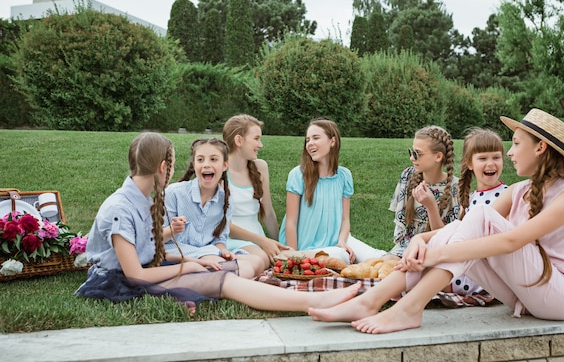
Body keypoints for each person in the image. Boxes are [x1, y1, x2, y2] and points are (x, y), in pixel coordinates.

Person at [309, 109, 564, 334]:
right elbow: (463, 228)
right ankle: (370, 301)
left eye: (516, 144)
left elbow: (511, 242)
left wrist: (434, 253)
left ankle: (408, 308)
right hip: (527, 293)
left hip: (562, 296)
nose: (510, 152)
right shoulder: (520, 191)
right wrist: (420, 240)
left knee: (481, 216)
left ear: (541, 147)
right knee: (469, 225)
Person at [74, 132, 361, 312]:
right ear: (163, 167)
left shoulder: (146, 199)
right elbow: (135, 274)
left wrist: (188, 259)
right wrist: (188, 264)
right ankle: (314, 302)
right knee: (227, 281)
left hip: (154, 267)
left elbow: (148, 250)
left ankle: (313, 295)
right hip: (119, 281)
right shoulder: (121, 208)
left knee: (225, 269)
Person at [278, 118, 385, 264]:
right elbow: (291, 222)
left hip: (338, 239)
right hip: (305, 246)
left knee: (380, 258)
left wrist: (342, 241)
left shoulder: (344, 175)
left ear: (332, 141)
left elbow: (345, 219)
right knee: (342, 256)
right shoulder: (298, 175)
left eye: (316, 138)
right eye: (307, 140)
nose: (310, 143)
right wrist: (294, 255)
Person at [161, 137, 265, 279]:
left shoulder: (225, 201)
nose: (206, 165)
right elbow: (154, 239)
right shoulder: (174, 193)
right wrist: (172, 229)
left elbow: (219, 240)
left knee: (256, 262)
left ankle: (210, 278)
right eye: (200, 160)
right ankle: (209, 280)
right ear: (194, 164)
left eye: (214, 159)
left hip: (206, 251)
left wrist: (223, 251)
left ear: (225, 165)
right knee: (243, 269)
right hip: (176, 251)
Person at [222, 114, 291, 269]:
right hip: (231, 239)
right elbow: (225, 225)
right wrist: (263, 242)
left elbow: (268, 213)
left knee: (288, 258)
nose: (260, 145)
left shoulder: (260, 167)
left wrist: (279, 244)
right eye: (256, 138)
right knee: (261, 258)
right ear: (239, 140)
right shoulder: (220, 172)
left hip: (258, 238)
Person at [447, 127, 507, 296]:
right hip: (464, 266)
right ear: (470, 163)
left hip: (484, 276)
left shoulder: (507, 196)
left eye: (496, 157)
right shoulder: (470, 199)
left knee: (420, 280)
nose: (490, 163)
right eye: (482, 158)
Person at [386, 125, 460, 260]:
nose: (412, 158)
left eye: (417, 154)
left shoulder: (456, 188)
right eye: (411, 152)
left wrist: (431, 206)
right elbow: (401, 227)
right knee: (380, 267)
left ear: (438, 157)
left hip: (436, 251)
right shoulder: (408, 176)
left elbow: (448, 238)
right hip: (406, 247)